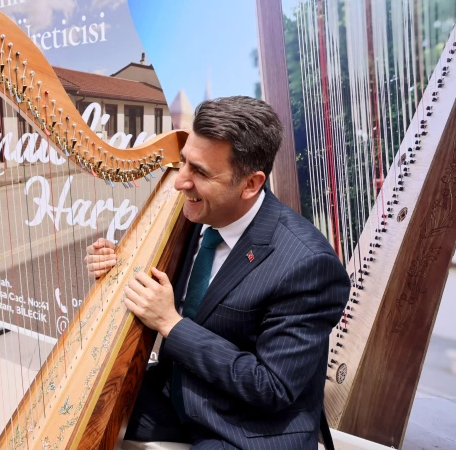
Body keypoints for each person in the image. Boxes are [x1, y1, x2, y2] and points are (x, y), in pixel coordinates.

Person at [85, 96, 349, 450]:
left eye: (200, 172)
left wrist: (171, 324)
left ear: (251, 184)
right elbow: (158, 291)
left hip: (250, 427)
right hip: (178, 391)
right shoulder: (194, 214)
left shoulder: (308, 264)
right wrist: (115, 270)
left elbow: (272, 387)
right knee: (78, 409)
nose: (180, 182)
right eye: (183, 163)